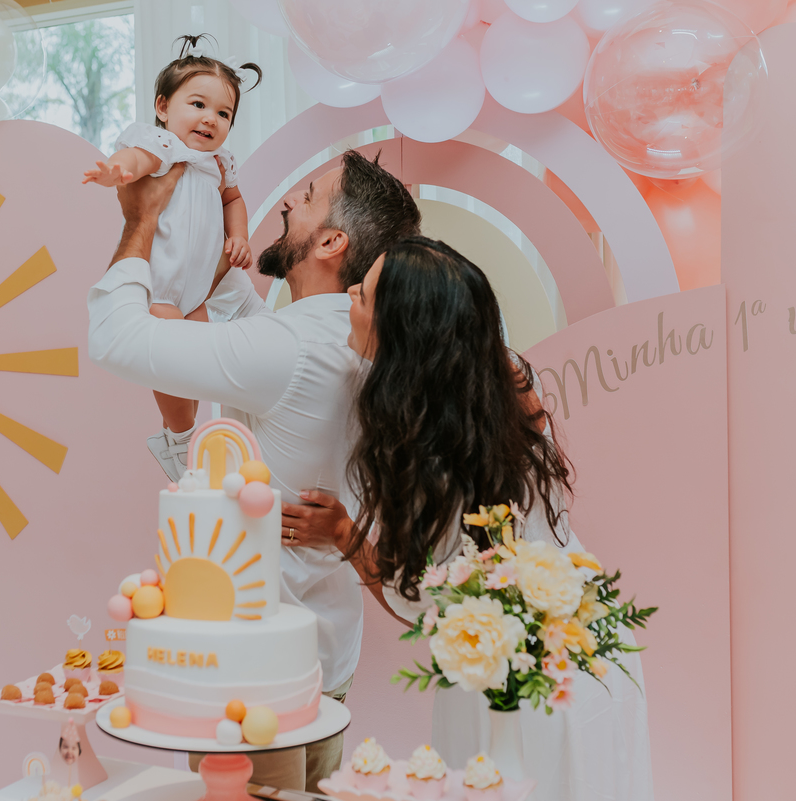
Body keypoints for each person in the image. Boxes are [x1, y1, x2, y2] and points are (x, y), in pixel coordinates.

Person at [88, 150, 422, 791]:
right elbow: (256, 328)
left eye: (309, 193)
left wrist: (139, 223)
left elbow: (116, 338)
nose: (288, 201)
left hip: (253, 671)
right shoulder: (351, 339)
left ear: (331, 240)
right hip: (323, 647)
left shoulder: (289, 349)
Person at [286, 238, 654, 800]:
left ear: (402, 334)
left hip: (520, 687)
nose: (349, 296)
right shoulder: (503, 379)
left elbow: (421, 604)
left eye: (361, 296)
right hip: (592, 646)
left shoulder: (424, 457)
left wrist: (343, 534)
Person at [83, 34, 262, 479]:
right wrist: (116, 169)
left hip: (198, 292)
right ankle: (181, 441)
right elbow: (138, 158)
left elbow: (233, 200)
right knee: (173, 366)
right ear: (163, 108)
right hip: (161, 288)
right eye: (198, 105)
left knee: (193, 373)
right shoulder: (165, 146)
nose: (210, 120)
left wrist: (238, 234)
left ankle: (176, 434)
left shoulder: (221, 163)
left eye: (224, 113)